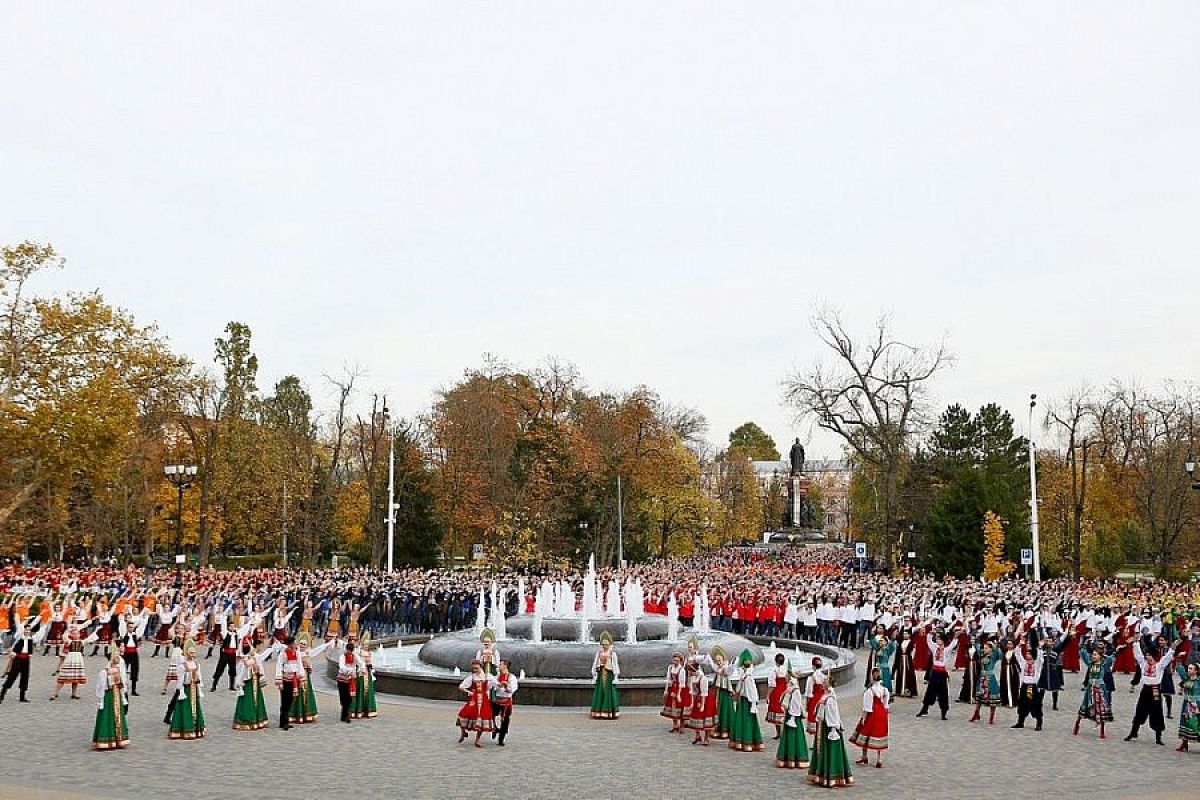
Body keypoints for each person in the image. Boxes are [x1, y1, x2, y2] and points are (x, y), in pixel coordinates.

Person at [1125, 638, 1176, 745]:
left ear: (1153, 656)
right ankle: (1133, 732)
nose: (1147, 657)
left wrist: (1172, 649)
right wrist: (1136, 642)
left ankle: (1158, 737)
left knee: (1157, 712)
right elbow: (1138, 655)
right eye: (1146, 655)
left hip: (1155, 690)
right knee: (1140, 710)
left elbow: (1167, 658)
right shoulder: (1143, 664)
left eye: (1149, 655)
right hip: (1145, 689)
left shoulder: (1159, 665)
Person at [807, 686, 853, 788]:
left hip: (829, 728)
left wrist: (834, 728)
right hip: (823, 727)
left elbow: (833, 714)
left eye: (825, 683)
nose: (822, 685)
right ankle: (821, 774)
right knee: (822, 751)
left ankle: (832, 776)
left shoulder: (830, 699)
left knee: (830, 750)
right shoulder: (825, 696)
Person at [1075, 638, 1115, 739]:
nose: (1093, 656)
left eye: (1095, 655)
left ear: (1100, 656)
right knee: (1085, 704)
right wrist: (1085, 644)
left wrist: (1110, 650)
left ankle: (1102, 730)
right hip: (1090, 688)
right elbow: (1083, 655)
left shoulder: (1103, 664)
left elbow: (1111, 659)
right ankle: (1077, 723)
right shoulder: (1090, 664)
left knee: (1101, 707)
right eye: (1093, 654)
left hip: (1100, 688)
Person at [850, 667, 890, 768]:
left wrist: (863, 718)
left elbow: (867, 708)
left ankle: (864, 756)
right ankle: (879, 759)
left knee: (865, 733)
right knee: (880, 734)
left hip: (872, 714)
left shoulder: (869, 691)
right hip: (882, 714)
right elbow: (886, 705)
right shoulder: (885, 690)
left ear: (872, 677)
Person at [916, 627, 959, 720]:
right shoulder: (934, 648)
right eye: (937, 639)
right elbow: (929, 641)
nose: (938, 640)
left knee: (943, 693)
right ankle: (924, 709)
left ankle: (943, 712)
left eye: (940, 639)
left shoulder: (947, 650)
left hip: (942, 673)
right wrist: (931, 633)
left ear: (943, 640)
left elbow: (953, 644)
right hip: (934, 672)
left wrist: (955, 637)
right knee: (930, 691)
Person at [92, 650, 130, 751]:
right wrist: (100, 700)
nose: (119, 659)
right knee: (107, 716)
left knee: (117, 717)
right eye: (117, 657)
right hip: (108, 697)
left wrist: (123, 698)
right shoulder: (104, 672)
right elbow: (100, 687)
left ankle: (118, 739)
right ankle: (106, 739)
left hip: (117, 696)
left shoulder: (117, 670)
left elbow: (120, 686)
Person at [168, 644, 206, 740]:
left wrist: (199, 688)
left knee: (195, 708)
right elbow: (180, 680)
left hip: (194, 689)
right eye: (190, 652)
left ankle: (196, 728)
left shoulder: (197, 664)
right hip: (186, 690)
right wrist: (181, 691)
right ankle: (183, 728)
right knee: (185, 708)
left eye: (194, 652)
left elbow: (199, 677)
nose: (192, 654)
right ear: (186, 653)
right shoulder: (182, 666)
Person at [232, 639, 271, 731]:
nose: (246, 645)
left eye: (247, 644)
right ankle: (246, 719)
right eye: (244, 644)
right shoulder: (240, 658)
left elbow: (260, 665)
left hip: (255, 681)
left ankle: (259, 719)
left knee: (257, 699)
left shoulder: (255, 656)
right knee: (247, 700)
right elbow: (239, 670)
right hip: (246, 683)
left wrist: (260, 674)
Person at [729, 649, 762, 752]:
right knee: (742, 720)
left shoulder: (748, 678)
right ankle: (740, 741)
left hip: (747, 702)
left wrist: (753, 703)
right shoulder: (744, 677)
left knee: (747, 721)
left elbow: (751, 692)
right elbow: (738, 689)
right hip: (742, 701)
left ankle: (748, 741)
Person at [456, 659, 495, 747]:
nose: (475, 670)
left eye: (476, 668)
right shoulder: (472, 677)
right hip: (474, 699)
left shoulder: (487, 676)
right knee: (462, 714)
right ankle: (463, 733)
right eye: (473, 668)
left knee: (481, 719)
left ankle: (477, 740)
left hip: (484, 700)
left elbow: (495, 684)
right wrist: (469, 692)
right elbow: (461, 686)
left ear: (480, 667)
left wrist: (502, 686)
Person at [775, 669, 809, 768]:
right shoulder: (790, 688)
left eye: (786, 676)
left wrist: (793, 717)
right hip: (789, 715)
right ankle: (787, 758)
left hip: (793, 716)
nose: (784, 677)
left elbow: (796, 704)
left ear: (789, 677)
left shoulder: (795, 690)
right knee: (789, 736)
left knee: (794, 736)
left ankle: (795, 758)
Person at [1011, 641, 1045, 730]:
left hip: (1033, 687)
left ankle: (1039, 724)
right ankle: (1020, 722)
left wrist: (1039, 648)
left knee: (1035, 705)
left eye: (1029, 654)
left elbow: (1040, 658)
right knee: (1022, 704)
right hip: (1024, 686)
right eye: (1027, 653)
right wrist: (1020, 645)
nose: (1027, 655)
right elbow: (1018, 655)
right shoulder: (1024, 663)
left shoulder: (1037, 664)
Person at [968, 639, 1002, 725]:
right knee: (979, 696)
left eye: (986, 648)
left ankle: (991, 716)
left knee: (992, 698)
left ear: (991, 649)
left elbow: (999, 653)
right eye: (984, 648)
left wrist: (996, 644)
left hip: (990, 678)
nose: (984, 649)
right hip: (982, 677)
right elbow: (977, 646)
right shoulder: (982, 655)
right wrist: (975, 640)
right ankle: (976, 713)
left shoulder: (993, 656)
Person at [589, 631, 620, 720]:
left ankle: (609, 712)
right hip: (600, 674)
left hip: (609, 675)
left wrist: (616, 676)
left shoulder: (612, 654)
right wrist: (594, 675)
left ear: (610, 644)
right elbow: (595, 664)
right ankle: (598, 711)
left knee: (609, 692)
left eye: (606, 644)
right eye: (603, 644)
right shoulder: (599, 653)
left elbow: (615, 665)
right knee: (600, 692)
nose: (604, 646)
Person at [685, 661, 715, 746]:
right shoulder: (693, 678)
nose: (689, 673)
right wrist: (692, 703)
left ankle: (706, 738)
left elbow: (704, 693)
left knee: (705, 717)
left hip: (707, 699)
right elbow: (693, 692)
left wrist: (702, 705)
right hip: (698, 697)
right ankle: (697, 736)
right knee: (695, 716)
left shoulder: (703, 679)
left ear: (693, 670)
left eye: (690, 671)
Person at [335, 638, 364, 724]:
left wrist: (361, 669)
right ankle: (344, 714)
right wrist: (350, 670)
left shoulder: (355, 656)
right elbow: (341, 666)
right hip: (342, 679)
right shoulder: (342, 657)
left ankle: (346, 715)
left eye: (351, 651)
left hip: (351, 680)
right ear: (346, 649)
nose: (350, 652)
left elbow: (361, 663)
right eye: (349, 650)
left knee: (349, 697)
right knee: (343, 697)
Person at [661, 650, 690, 733]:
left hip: (681, 689)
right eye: (674, 660)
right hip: (672, 688)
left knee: (680, 707)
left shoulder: (682, 670)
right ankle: (675, 724)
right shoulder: (670, 667)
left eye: (677, 660)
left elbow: (682, 683)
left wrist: (678, 694)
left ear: (680, 661)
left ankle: (681, 726)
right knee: (672, 707)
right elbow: (668, 679)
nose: (675, 662)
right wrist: (666, 690)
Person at [491, 660, 518, 745]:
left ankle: (501, 738)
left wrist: (506, 686)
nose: (499, 665)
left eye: (500, 664)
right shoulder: (497, 676)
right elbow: (493, 687)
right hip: (497, 699)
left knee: (505, 719)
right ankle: (494, 728)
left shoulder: (511, 677)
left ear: (505, 666)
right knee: (490, 714)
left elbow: (513, 689)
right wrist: (498, 686)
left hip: (506, 700)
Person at [1175, 662, 1199, 752]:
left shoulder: (1199, 681)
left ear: (1196, 671)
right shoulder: (1186, 679)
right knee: (1185, 722)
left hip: (1196, 704)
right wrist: (1178, 660)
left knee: (1195, 723)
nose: (1189, 670)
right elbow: (1180, 671)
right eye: (1188, 668)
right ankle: (1184, 743)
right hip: (1186, 704)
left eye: (1191, 668)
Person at [765, 652, 789, 739]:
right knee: (784, 711)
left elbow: (772, 685)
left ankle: (779, 733)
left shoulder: (774, 670)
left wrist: (767, 695)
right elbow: (787, 681)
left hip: (776, 693)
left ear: (776, 661)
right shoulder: (786, 669)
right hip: (784, 691)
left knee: (776, 712)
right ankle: (785, 733)